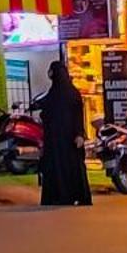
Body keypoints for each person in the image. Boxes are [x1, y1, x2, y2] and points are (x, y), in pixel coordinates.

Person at [33, 59, 92, 207]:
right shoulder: (71, 93)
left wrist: (78, 134)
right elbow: (78, 115)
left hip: (58, 140)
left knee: (58, 167)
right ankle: (73, 195)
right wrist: (79, 134)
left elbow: (47, 113)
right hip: (67, 139)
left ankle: (60, 196)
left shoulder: (58, 94)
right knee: (72, 167)